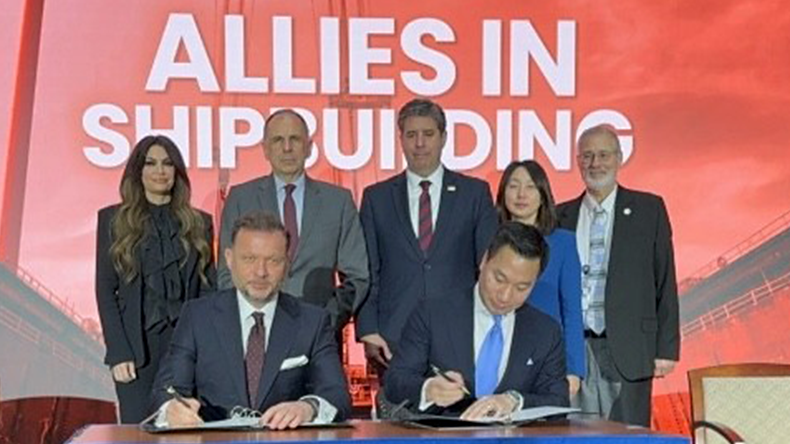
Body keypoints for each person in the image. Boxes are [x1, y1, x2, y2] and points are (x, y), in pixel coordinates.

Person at [152, 212, 351, 429]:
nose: (260, 272)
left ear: (287, 263)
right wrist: (171, 409)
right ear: (229, 259)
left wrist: (307, 408)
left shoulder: (312, 321)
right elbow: (166, 390)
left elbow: (337, 396)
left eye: (273, 261)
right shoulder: (197, 317)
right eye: (249, 259)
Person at [356, 98, 498, 374]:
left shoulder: (474, 194)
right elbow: (368, 271)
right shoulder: (376, 198)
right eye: (411, 135)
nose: (419, 143)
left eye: (428, 134)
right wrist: (368, 328)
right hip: (393, 340)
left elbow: (487, 267)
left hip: (460, 335)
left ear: (443, 138)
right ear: (401, 139)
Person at [556, 124, 679, 427]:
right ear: (577, 161)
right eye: (587, 156)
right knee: (573, 434)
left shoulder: (649, 209)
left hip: (630, 347)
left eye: (603, 155)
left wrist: (666, 349)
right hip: (573, 350)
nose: (595, 163)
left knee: (628, 434)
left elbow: (665, 280)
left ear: (619, 158)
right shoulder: (559, 216)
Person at [385, 222, 568, 418]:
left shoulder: (546, 332)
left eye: (522, 288)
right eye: (499, 279)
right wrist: (428, 389)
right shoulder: (432, 313)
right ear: (484, 260)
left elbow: (558, 401)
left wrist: (515, 401)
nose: (505, 296)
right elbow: (395, 381)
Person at [95, 135, 215, 423]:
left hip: (185, 348)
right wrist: (118, 351)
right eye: (151, 163)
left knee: (183, 429)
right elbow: (105, 289)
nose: (160, 171)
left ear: (177, 171)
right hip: (135, 353)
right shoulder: (113, 220)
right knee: (137, 430)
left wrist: (206, 349)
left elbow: (207, 292)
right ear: (138, 170)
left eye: (167, 164)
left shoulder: (199, 223)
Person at [218, 109, 368, 333]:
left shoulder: (338, 201)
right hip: (256, 332)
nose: (287, 148)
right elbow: (226, 273)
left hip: (320, 333)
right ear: (265, 149)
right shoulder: (240, 198)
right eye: (278, 140)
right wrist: (257, 317)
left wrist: (324, 321)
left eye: (295, 139)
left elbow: (357, 275)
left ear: (309, 147)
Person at [496, 160, 585, 397]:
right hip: (495, 354)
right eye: (513, 186)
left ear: (543, 194)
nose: (521, 194)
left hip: (546, 357)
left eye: (530, 187)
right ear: (503, 193)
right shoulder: (489, 239)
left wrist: (573, 369)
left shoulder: (563, 242)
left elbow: (572, 311)